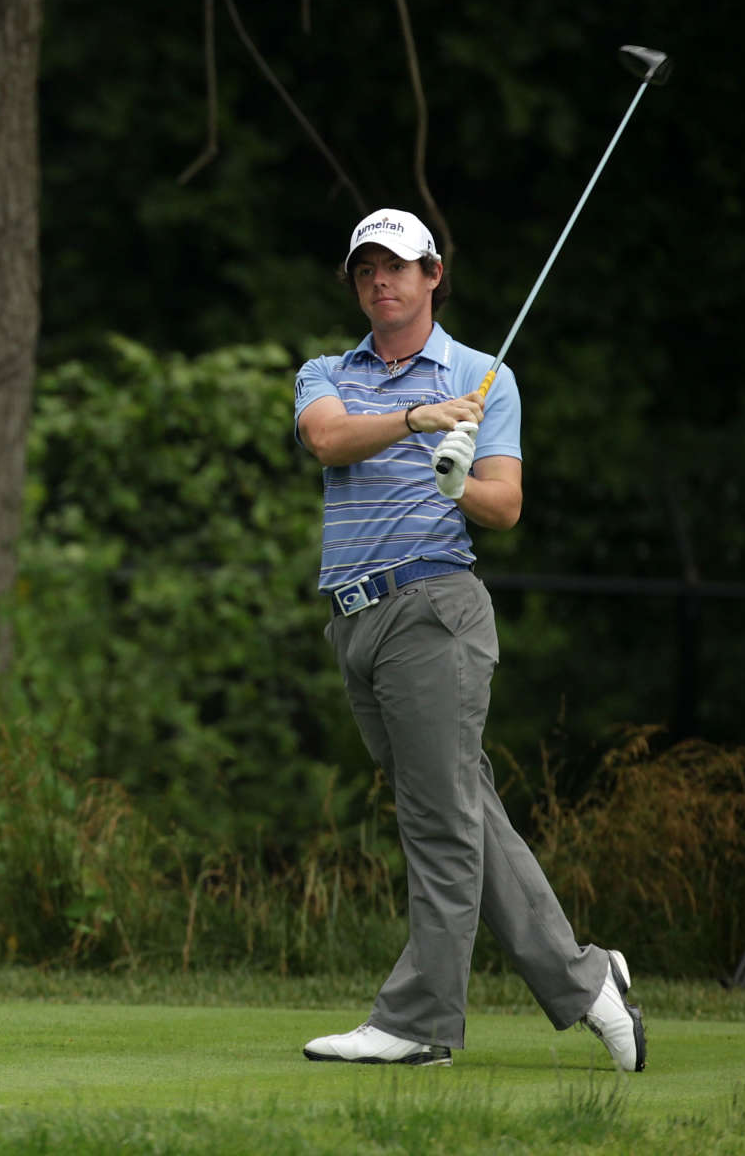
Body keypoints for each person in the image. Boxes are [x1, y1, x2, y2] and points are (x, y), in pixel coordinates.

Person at [290, 208, 645, 1070]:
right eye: (367, 268)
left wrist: (458, 484)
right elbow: (326, 438)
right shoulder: (326, 372)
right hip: (356, 620)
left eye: (399, 266)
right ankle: (586, 980)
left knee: (440, 822)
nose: (382, 280)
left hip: (434, 610)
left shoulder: (486, 377)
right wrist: (418, 425)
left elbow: (505, 504)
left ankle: (419, 1023)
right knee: (462, 809)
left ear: (433, 273)